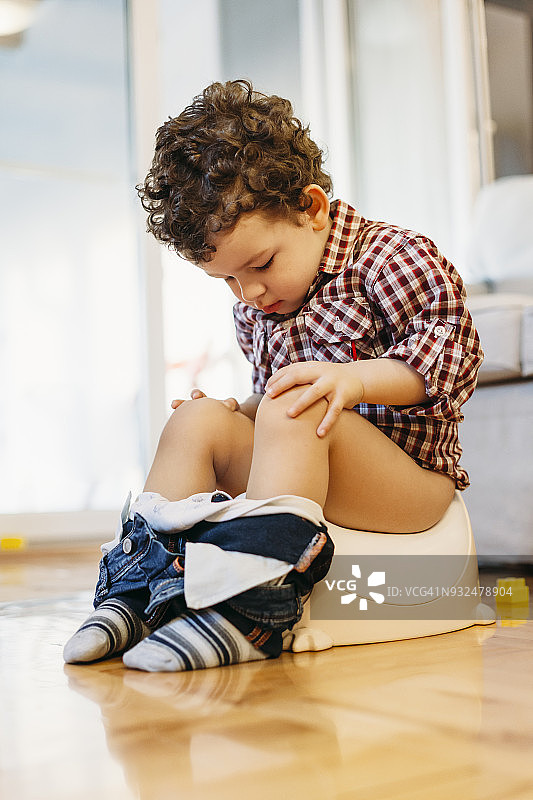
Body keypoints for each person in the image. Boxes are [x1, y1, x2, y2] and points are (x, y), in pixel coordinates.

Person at [63, 79, 482, 672]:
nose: (249, 292)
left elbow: (453, 353)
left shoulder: (390, 257)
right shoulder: (258, 305)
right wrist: (235, 410)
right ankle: (144, 587)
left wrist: (353, 380)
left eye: (260, 266)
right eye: (228, 281)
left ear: (310, 208)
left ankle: (252, 605)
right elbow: (271, 401)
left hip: (408, 486)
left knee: (295, 403)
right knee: (200, 419)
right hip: (311, 460)